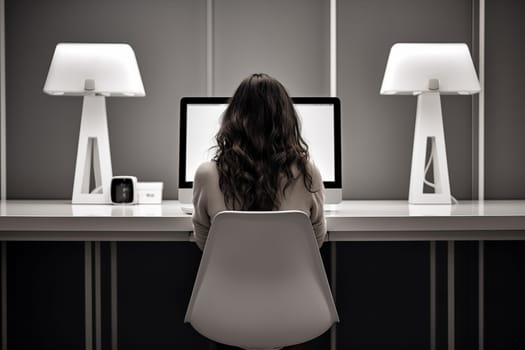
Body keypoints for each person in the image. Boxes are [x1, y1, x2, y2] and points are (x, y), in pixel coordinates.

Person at [191, 73, 327, 350]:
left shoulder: (207, 174)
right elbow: (316, 242)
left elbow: (205, 245)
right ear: (288, 121)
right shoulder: (309, 174)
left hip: (225, 312)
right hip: (294, 311)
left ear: (232, 119)